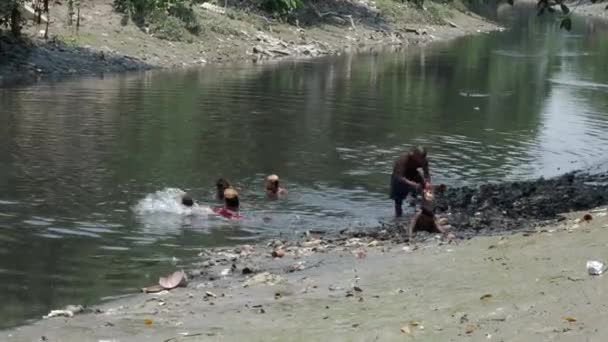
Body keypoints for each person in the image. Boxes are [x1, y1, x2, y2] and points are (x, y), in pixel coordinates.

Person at [390, 146, 431, 217]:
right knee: (398, 200)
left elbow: (426, 174)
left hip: (413, 173)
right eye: (419, 158)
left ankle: (425, 209)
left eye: (422, 158)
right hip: (399, 176)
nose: (420, 161)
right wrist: (411, 184)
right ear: (414, 155)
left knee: (425, 189)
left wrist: (427, 182)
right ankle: (398, 217)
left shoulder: (424, 160)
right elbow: (398, 176)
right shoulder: (403, 159)